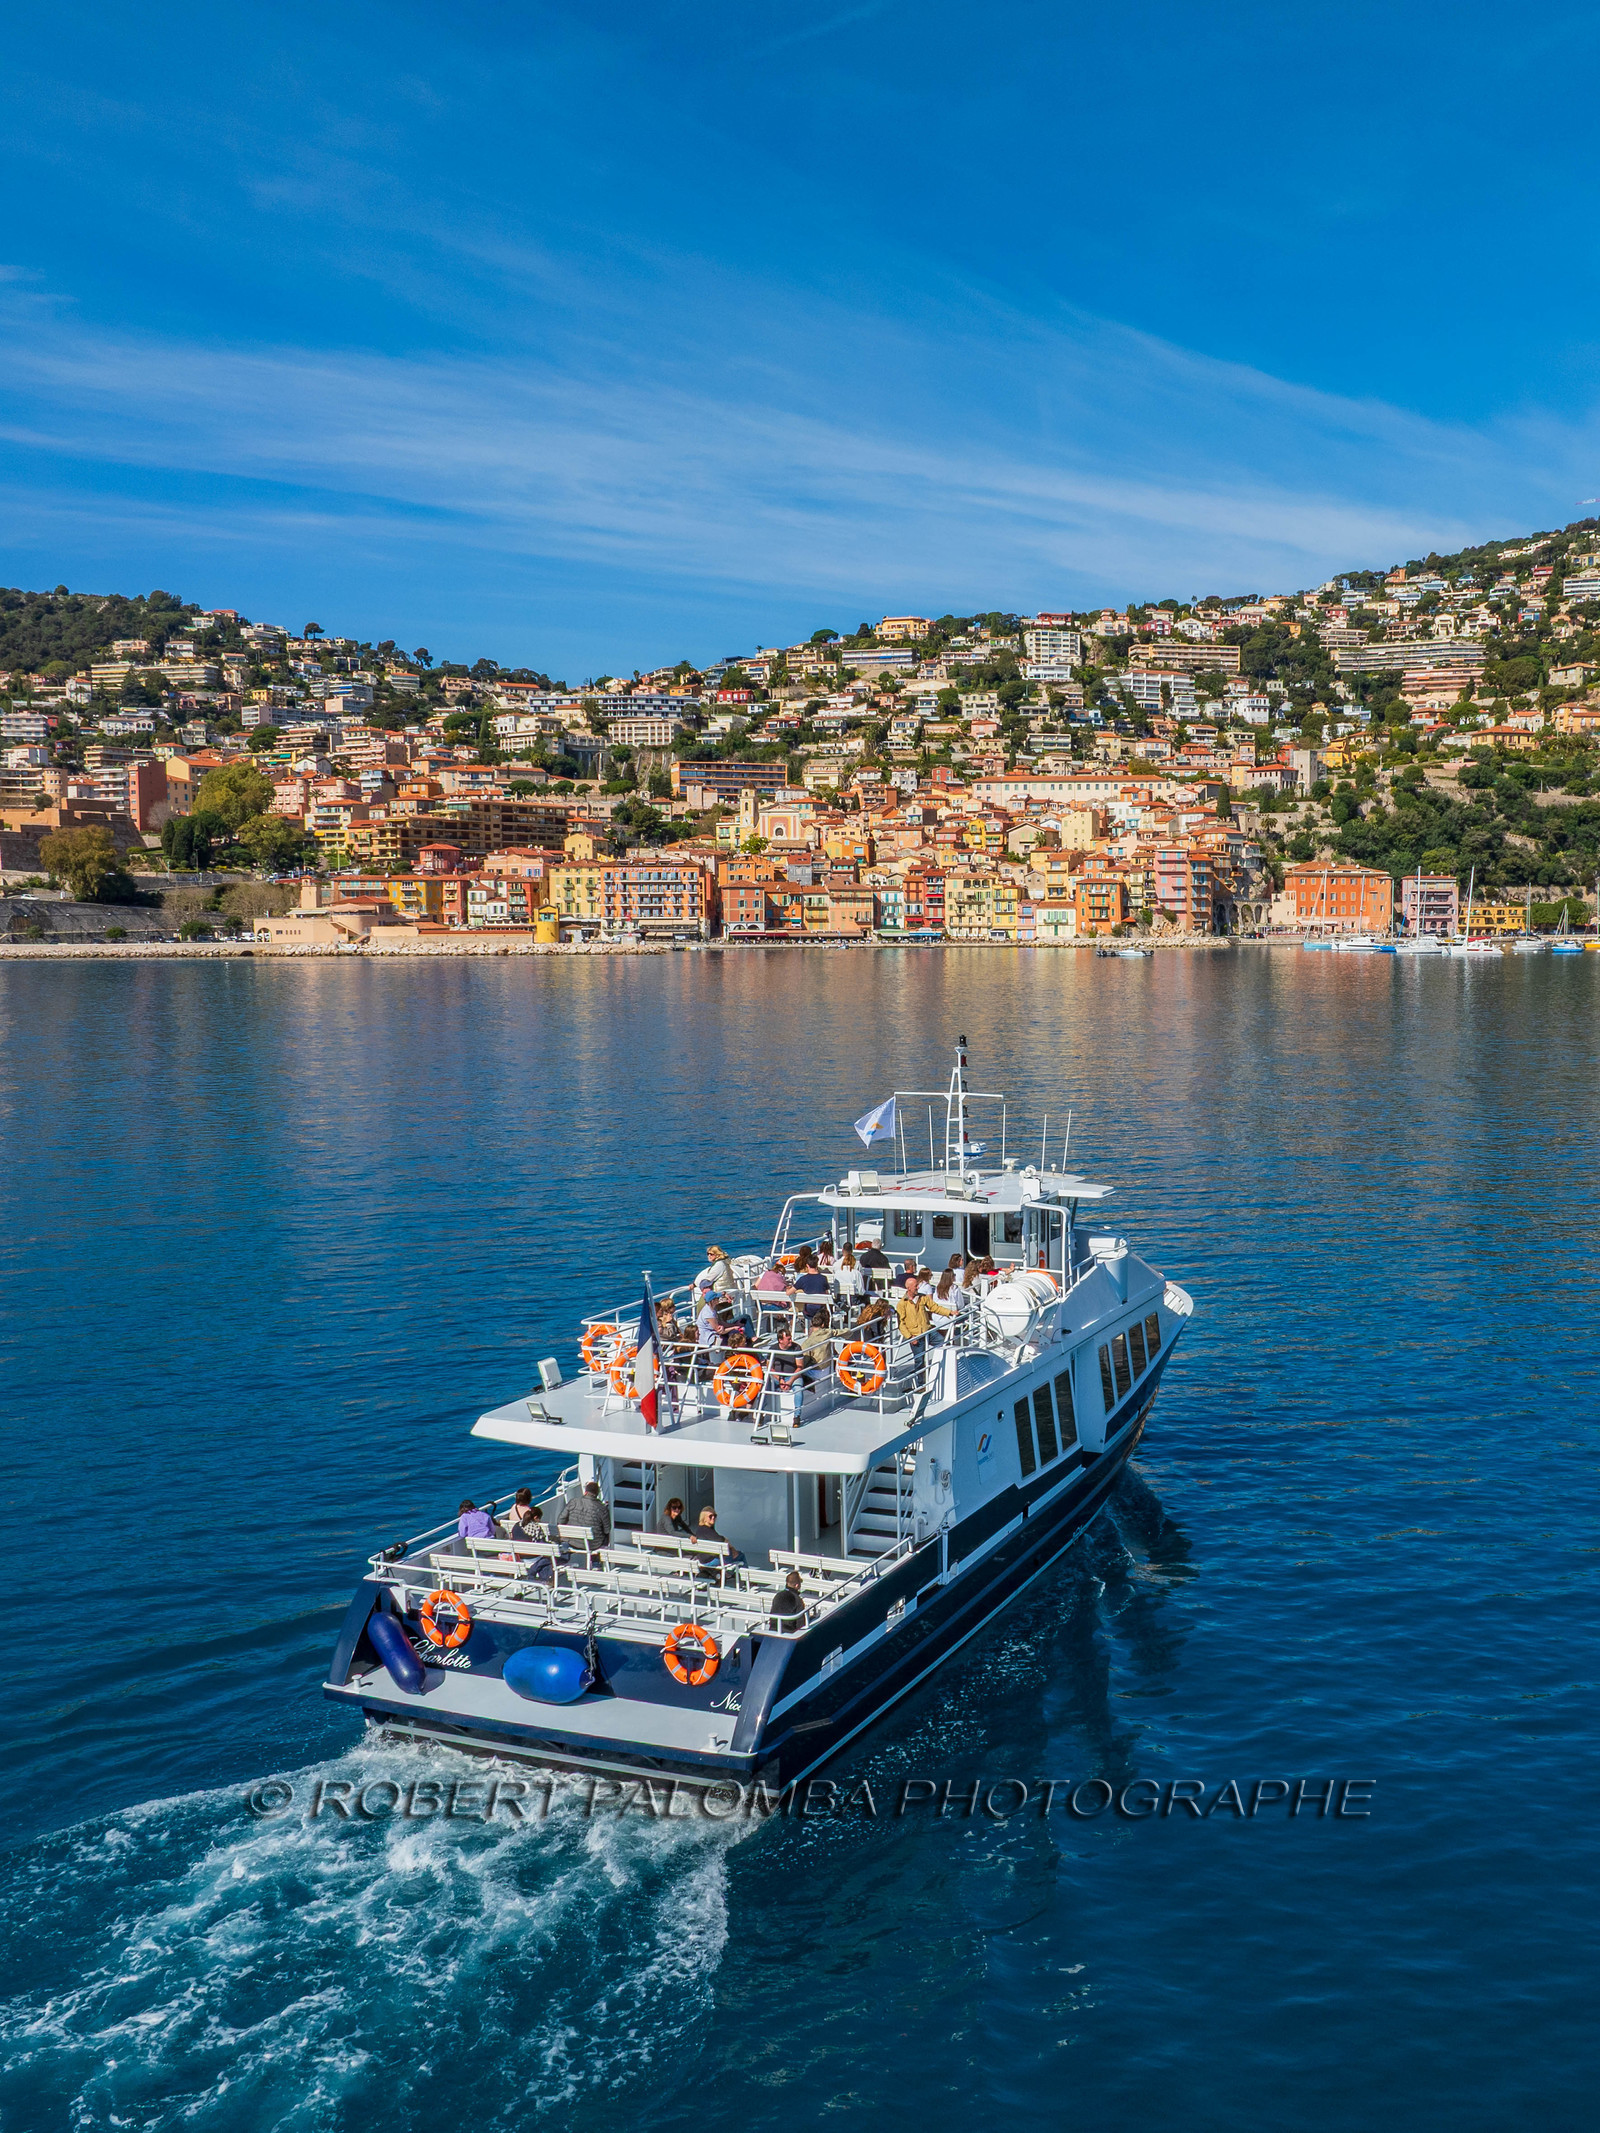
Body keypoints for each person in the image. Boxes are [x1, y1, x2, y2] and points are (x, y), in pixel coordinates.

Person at [562, 1480, 611, 1549]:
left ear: (585, 1492)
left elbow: (561, 1519)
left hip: (571, 1540)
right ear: (597, 1494)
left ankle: (563, 1557)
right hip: (593, 1544)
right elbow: (607, 1530)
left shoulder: (573, 1502)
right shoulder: (602, 1508)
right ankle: (595, 1559)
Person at [695, 1503, 744, 1572]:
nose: (713, 1518)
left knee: (731, 1554)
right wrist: (727, 1542)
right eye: (710, 1516)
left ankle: (728, 1574)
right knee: (741, 1555)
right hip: (712, 1561)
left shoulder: (699, 1529)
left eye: (715, 1516)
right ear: (704, 1518)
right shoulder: (707, 1530)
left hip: (702, 1560)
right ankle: (748, 1580)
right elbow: (720, 1540)